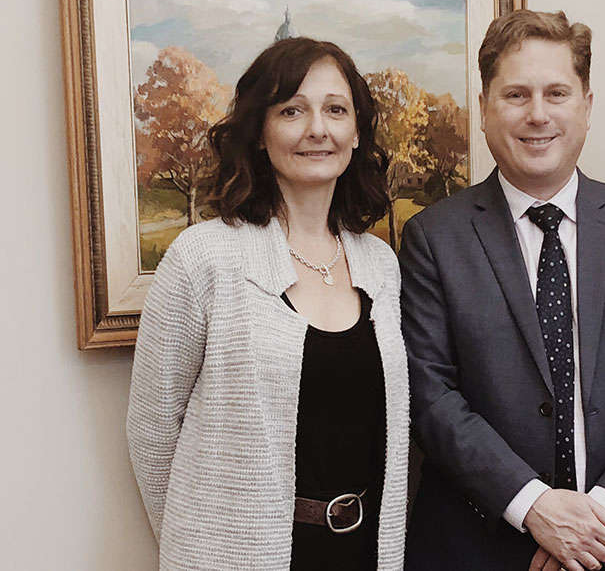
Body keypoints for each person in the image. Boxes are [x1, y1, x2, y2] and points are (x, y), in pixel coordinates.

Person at [400, 9, 605, 571]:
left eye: (557, 93)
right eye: (516, 94)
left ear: (587, 106)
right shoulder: (432, 237)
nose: (538, 114)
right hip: (484, 546)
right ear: (484, 108)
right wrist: (535, 507)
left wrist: (601, 519)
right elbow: (430, 396)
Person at [126, 37, 409, 571]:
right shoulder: (203, 257)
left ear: (355, 133)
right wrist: (202, 543)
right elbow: (152, 430)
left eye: (335, 110)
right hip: (236, 554)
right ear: (259, 132)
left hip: (363, 552)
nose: (317, 129)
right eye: (292, 111)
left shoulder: (381, 265)